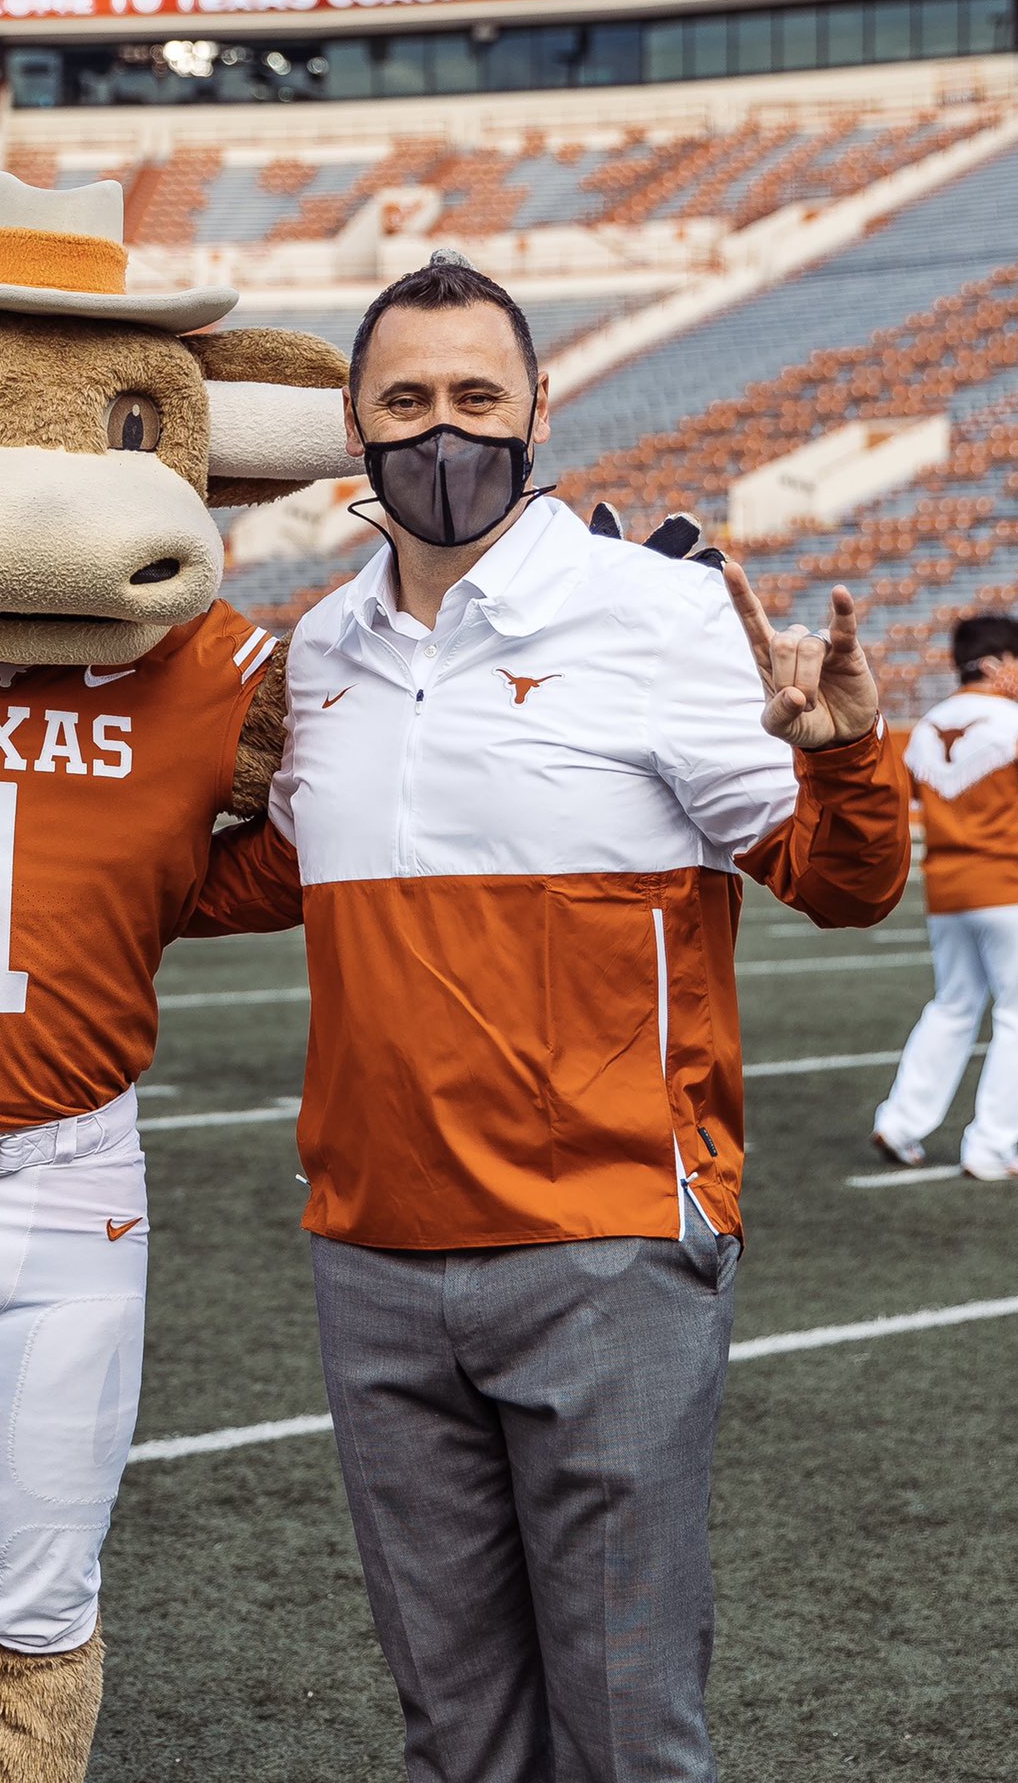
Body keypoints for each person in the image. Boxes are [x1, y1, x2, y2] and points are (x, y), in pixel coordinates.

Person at [189, 254, 911, 1783]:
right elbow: (275, 876)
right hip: (373, 1248)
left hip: (602, 1241)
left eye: (472, 397)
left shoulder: (655, 612)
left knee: (625, 1726)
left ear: (535, 413)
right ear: (353, 426)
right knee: (454, 1728)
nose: (439, 431)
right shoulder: (320, 647)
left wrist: (846, 763)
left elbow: (836, 888)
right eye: (404, 401)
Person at [871, 613, 1018, 1179]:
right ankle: (992, 1145)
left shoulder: (927, 726)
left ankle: (901, 1121)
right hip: (1006, 883)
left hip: (946, 888)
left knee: (953, 1004)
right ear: (996, 662)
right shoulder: (1010, 720)